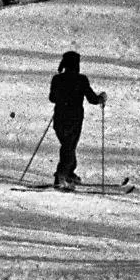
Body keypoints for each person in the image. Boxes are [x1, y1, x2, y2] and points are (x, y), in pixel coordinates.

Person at [48, 50, 107, 190]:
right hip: (74, 119)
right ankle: (60, 177)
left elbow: (52, 98)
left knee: (68, 147)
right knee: (69, 147)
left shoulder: (57, 79)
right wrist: (102, 98)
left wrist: (63, 98)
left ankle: (68, 173)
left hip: (59, 118)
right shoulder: (81, 79)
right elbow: (92, 99)